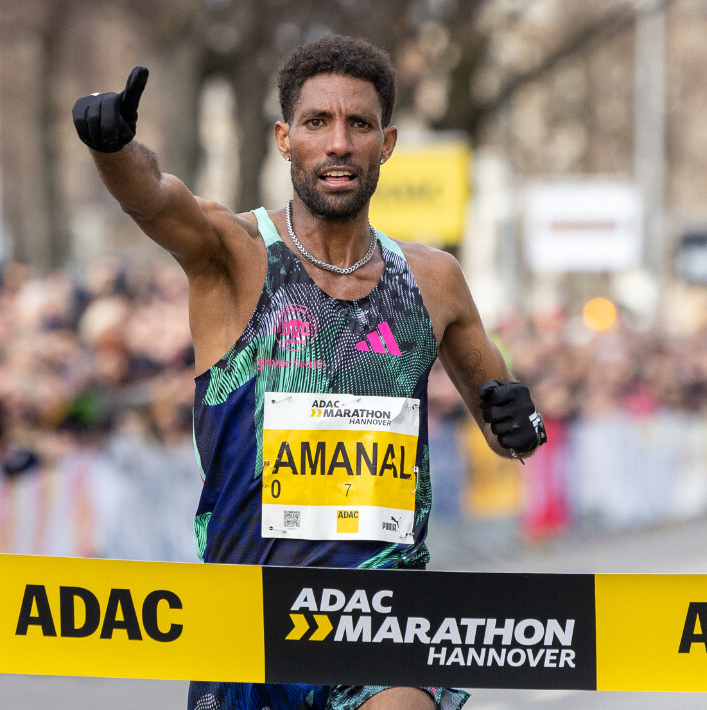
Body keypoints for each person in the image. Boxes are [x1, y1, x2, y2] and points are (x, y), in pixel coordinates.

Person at [73, 35, 546, 710]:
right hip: (248, 622)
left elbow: (506, 423)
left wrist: (521, 423)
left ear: (387, 143)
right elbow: (153, 198)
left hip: (381, 616)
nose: (339, 143)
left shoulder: (433, 279)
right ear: (284, 139)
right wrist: (112, 148)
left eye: (359, 124)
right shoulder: (234, 253)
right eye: (317, 122)